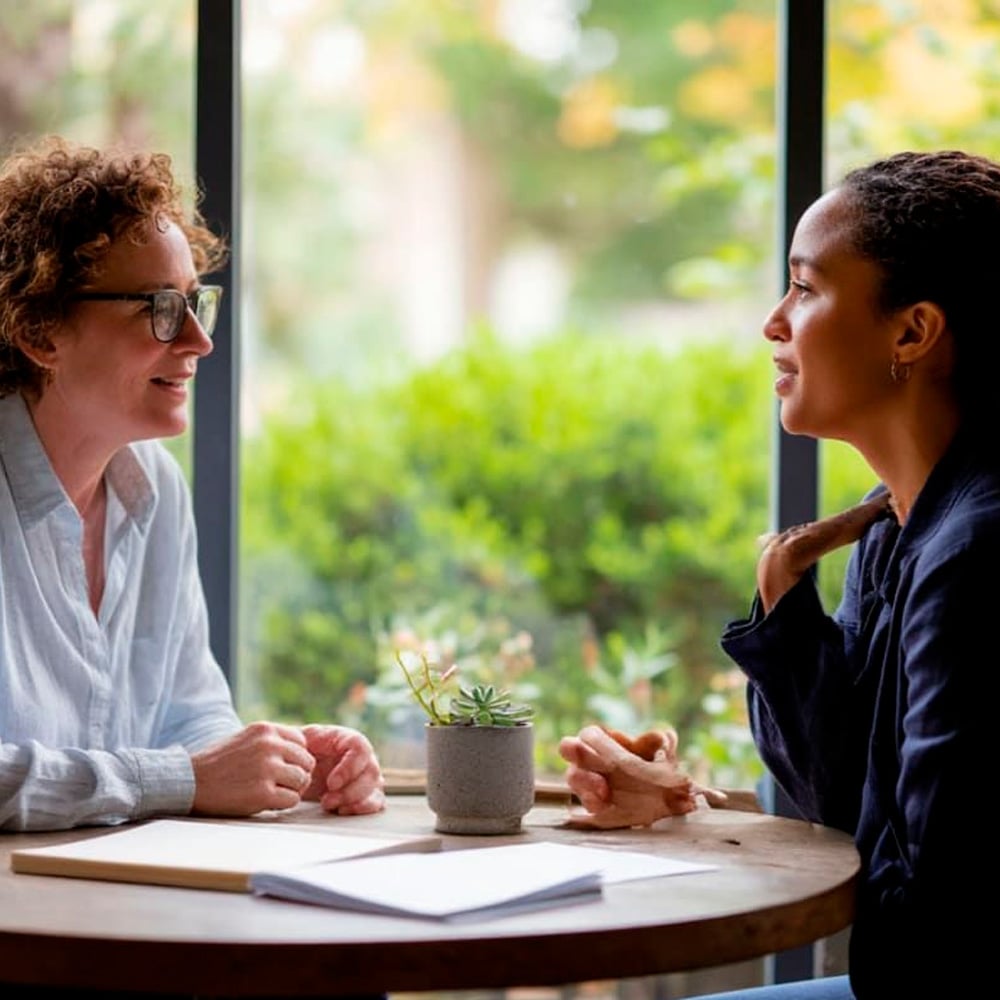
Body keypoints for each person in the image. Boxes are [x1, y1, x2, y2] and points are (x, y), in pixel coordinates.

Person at [560, 149, 999, 999]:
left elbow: (937, 917)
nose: (773, 321)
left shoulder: (976, 558)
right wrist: (782, 606)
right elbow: (846, 810)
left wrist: (709, 839)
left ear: (912, 331)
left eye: (805, 287)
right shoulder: (891, 531)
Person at [0, 135, 385, 832]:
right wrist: (181, 778)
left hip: (115, 905)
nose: (198, 343)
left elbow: (189, 713)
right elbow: (178, 773)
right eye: (157, 309)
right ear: (40, 330)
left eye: (191, 302)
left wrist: (287, 763)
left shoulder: (155, 488)